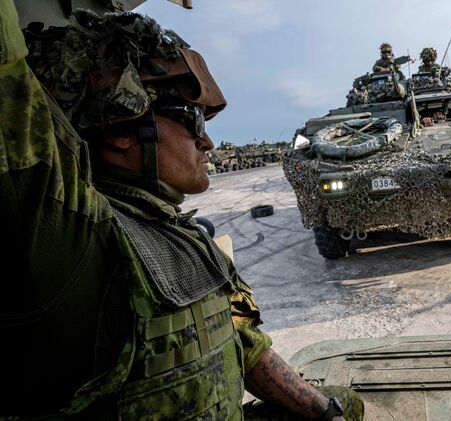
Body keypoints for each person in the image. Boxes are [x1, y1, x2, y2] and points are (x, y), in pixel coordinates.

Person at [0, 3, 362, 420]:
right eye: (194, 122)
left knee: (346, 403)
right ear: (120, 130)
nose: (208, 143)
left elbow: (243, 343)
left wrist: (325, 413)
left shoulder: (178, 231)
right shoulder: (75, 235)